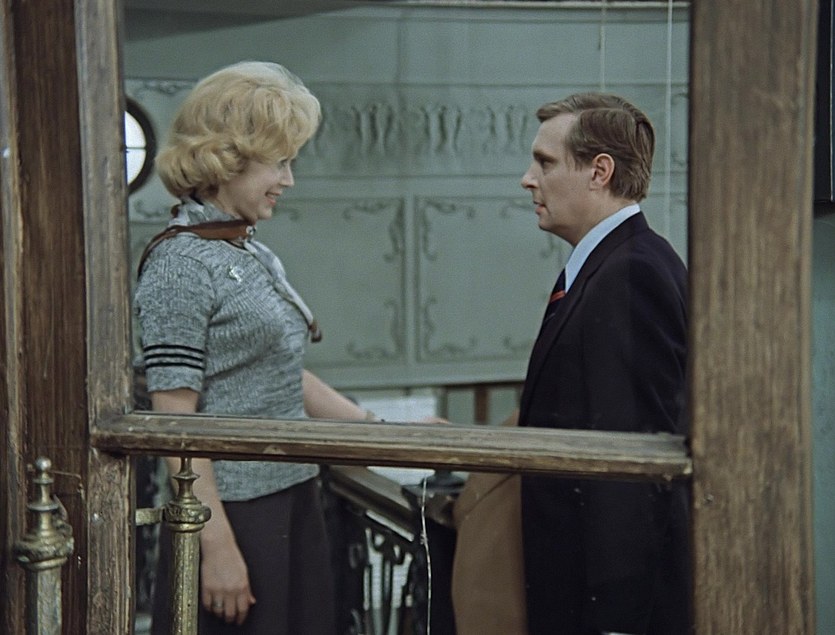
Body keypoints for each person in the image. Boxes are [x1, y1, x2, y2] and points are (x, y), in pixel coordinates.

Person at [135, 61, 376, 634]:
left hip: (293, 495)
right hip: (234, 515)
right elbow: (174, 422)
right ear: (227, 158)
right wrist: (215, 546)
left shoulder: (245, 249)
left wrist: (385, 433)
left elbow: (281, 372)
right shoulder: (180, 264)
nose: (289, 180)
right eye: (280, 162)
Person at [517, 93, 690, 635]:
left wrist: (617, 621)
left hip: (607, 609)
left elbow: (633, 465)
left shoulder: (632, 273)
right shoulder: (611, 264)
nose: (528, 179)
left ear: (600, 172)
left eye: (545, 162)